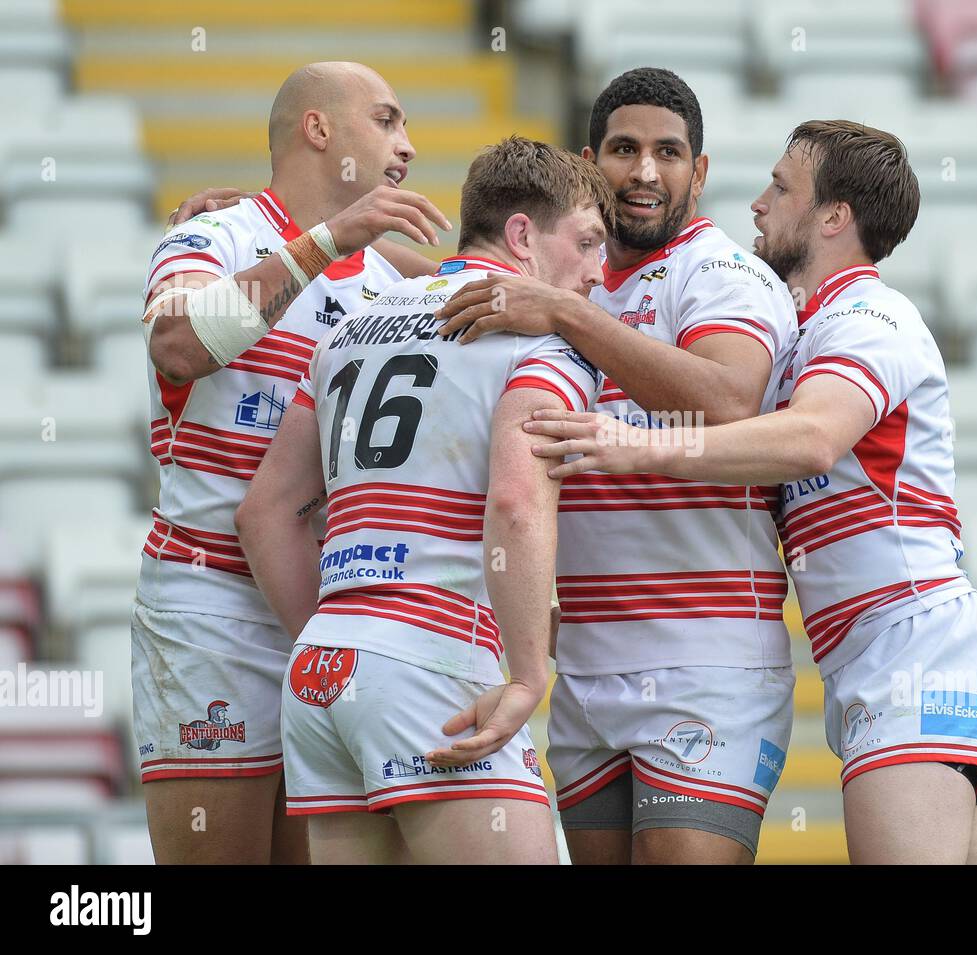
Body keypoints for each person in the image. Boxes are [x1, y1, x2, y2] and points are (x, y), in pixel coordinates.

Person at [523, 120, 977, 865]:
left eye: (781, 187)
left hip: (915, 646)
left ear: (833, 217)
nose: (757, 204)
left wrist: (636, 445)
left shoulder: (869, 318)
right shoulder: (808, 326)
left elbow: (813, 439)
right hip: (883, 650)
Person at [435, 68, 799, 866]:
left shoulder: (720, 273)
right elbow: (447, 272)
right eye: (624, 149)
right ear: (589, 160)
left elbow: (731, 400)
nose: (643, 171)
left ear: (698, 173)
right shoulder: (571, 276)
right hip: (587, 665)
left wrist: (567, 314)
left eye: (668, 153)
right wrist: (272, 224)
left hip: (703, 659)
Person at [235, 136, 614, 864]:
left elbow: (261, 514)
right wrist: (531, 673)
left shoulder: (348, 329)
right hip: (434, 662)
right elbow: (515, 502)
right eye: (588, 243)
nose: (598, 272)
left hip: (323, 666)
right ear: (523, 235)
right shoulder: (539, 342)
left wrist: (347, 639)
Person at [133, 61, 449, 864]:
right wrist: (325, 239)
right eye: (386, 120)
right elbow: (177, 344)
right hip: (215, 607)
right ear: (318, 129)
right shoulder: (210, 235)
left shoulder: (386, 278)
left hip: (334, 606)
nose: (406, 145)